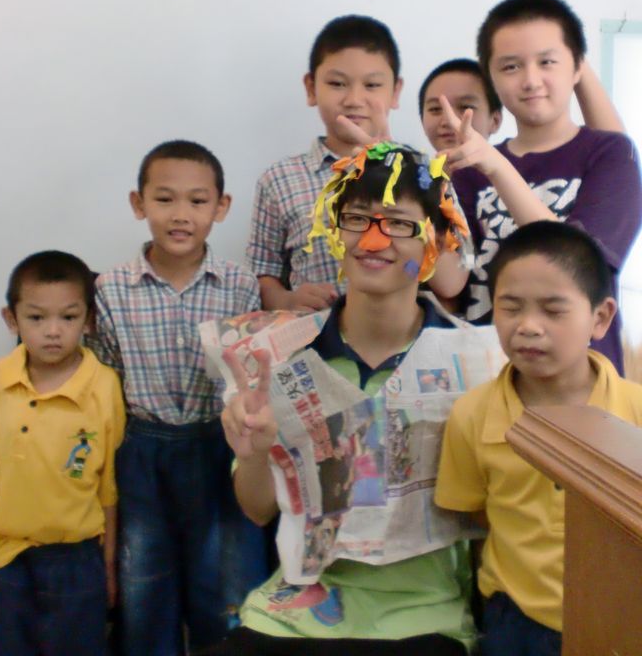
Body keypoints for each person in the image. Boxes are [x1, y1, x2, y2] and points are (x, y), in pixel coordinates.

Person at [203, 143, 500, 655]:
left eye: (398, 224)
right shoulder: (284, 356)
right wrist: (254, 453)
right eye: (357, 219)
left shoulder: (476, 361)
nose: (373, 239)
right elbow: (256, 510)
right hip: (295, 617)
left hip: (423, 619)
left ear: (434, 240)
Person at [88, 139, 268, 656]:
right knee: (145, 584)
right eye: (164, 199)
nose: (181, 214)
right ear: (138, 203)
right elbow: (105, 379)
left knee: (227, 586)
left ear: (221, 207)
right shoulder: (110, 289)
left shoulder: (239, 285)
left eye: (197, 200)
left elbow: (247, 375)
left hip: (219, 445)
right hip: (141, 452)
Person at [435, 220, 642, 655]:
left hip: (621, 618)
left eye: (553, 310)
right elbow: (477, 518)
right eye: (511, 308)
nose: (528, 326)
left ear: (600, 317)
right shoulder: (473, 414)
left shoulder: (636, 410)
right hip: (516, 622)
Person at [441, 0, 641, 372]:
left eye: (547, 62)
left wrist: (497, 168)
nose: (531, 80)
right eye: (511, 67)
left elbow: (576, 264)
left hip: (582, 382)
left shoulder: (613, 155)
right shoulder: (470, 170)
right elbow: (452, 281)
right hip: (488, 376)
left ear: (577, 67)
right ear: (491, 77)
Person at [0, 251, 125, 656]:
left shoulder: (104, 385)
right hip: (9, 556)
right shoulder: (0, 377)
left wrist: (107, 565)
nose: (53, 331)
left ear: (88, 320)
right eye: (36, 318)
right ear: (11, 319)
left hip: (77, 559)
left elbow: (109, 486)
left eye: (68, 317)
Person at [247, 14, 466, 313]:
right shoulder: (279, 179)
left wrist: (398, 170)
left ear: (395, 91)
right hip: (313, 334)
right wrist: (285, 300)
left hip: (401, 333)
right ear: (311, 87)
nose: (354, 99)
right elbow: (262, 272)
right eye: (337, 83)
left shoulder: (425, 173)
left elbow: (451, 283)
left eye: (372, 84)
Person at [419, 58, 503, 153]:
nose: (449, 121)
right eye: (435, 109)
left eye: (465, 107)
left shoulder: (508, 163)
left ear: (495, 121)